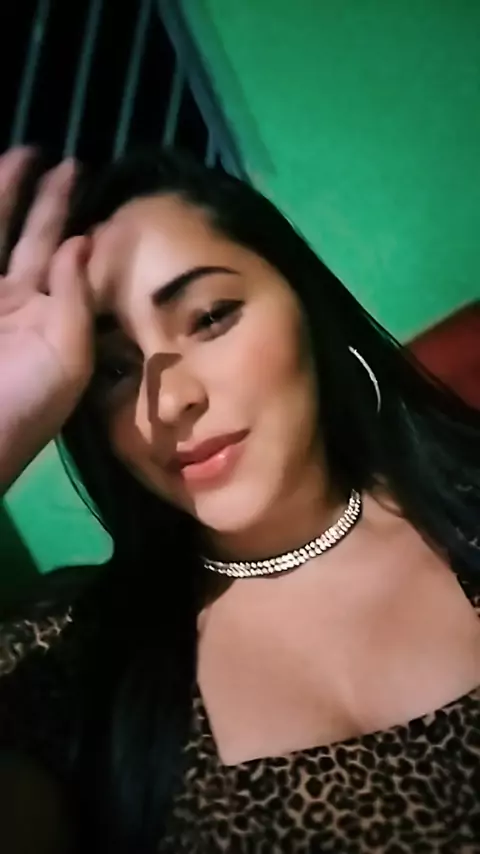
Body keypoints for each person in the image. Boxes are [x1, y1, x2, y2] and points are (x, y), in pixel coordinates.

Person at [0, 144, 479, 854]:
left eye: (210, 317)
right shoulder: (71, 665)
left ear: (306, 308)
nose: (169, 401)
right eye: (113, 371)